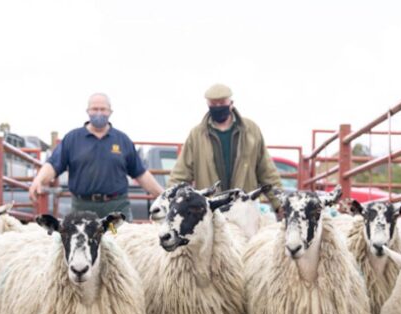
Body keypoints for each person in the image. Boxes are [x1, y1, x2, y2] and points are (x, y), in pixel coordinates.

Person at [29, 93, 163, 220]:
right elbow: (53, 164)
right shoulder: (73, 139)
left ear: (110, 112)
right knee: (84, 243)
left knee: (117, 239)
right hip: (83, 208)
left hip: (115, 209)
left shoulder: (122, 140)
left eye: (103, 109)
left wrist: (163, 195)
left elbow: (141, 173)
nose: (99, 113)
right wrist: (38, 180)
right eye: (95, 109)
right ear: (88, 111)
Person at [168, 84, 282, 206]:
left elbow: (266, 172)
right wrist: (169, 202)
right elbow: (180, 174)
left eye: (222, 103)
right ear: (208, 104)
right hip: (211, 210)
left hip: (244, 209)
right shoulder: (196, 135)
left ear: (231, 103)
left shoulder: (251, 131)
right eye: (213, 103)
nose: (218, 107)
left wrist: (280, 204)